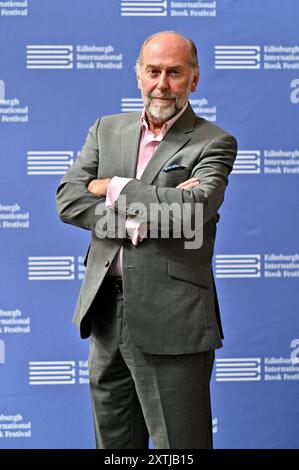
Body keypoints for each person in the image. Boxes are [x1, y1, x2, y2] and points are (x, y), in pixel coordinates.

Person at [56, 31, 237, 449]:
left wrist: (114, 186)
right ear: (137, 75)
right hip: (105, 312)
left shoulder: (214, 141)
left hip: (173, 317)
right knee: (115, 447)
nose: (162, 84)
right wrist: (138, 222)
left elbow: (194, 211)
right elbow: (68, 199)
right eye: (153, 71)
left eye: (175, 73)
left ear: (194, 79)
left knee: (180, 449)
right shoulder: (106, 130)